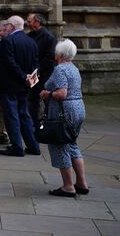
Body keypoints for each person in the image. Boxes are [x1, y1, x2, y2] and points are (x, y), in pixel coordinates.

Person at [41, 39, 88, 197]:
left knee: (60, 146)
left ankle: (68, 186)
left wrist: (48, 94)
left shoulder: (60, 69)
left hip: (65, 111)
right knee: (72, 144)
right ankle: (81, 183)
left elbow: (62, 93)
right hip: (78, 108)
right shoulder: (73, 68)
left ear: (60, 54)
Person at [0, 15, 41, 157]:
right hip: (24, 85)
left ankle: (17, 147)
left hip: (9, 85)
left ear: (12, 26)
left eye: (7, 25)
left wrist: (23, 76)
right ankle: (33, 146)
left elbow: (10, 63)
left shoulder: (8, 41)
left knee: (11, 115)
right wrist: (30, 78)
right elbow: (36, 63)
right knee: (24, 115)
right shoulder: (31, 41)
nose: (5, 27)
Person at [27, 13, 56, 130]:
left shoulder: (49, 37)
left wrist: (39, 69)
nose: (27, 23)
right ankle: (34, 123)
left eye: (29, 21)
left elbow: (50, 56)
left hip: (45, 74)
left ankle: (50, 124)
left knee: (47, 99)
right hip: (33, 73)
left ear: (37, 23)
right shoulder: (29, 36)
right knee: (32, 99)